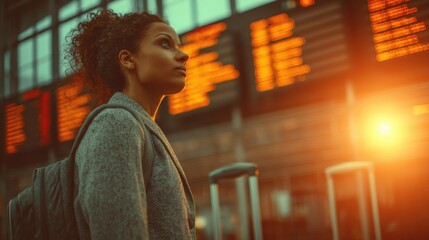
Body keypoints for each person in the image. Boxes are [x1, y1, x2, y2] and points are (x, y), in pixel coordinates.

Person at [66, 9, 195, 239]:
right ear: (127, 59)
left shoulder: (139, 127)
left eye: (179, 45)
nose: (183, 55)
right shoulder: (116, 124)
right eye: (165, 44)